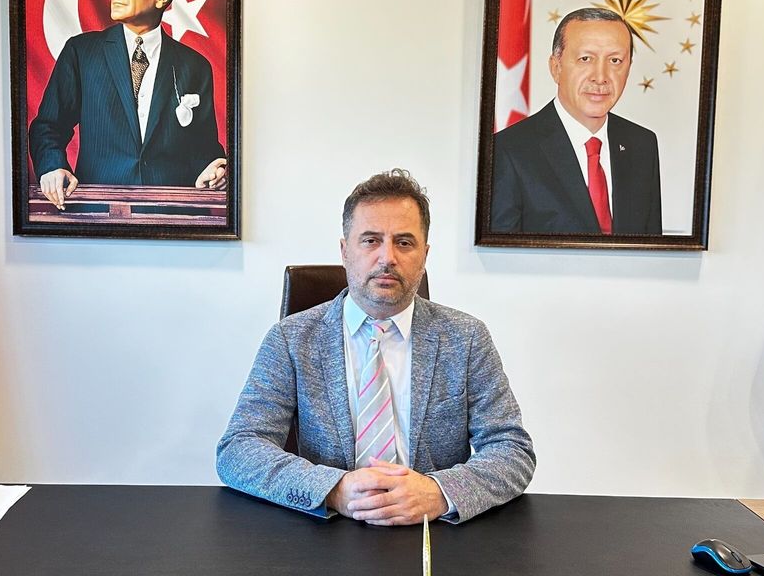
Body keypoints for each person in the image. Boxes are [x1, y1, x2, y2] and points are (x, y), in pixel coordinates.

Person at [216, 169, 535, 525]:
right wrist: (333, 489)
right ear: (345, 251)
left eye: (404, 242)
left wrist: (439, 493)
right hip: (328, 530)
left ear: (425, 254)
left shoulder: (467, 338)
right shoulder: (291, 339)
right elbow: (238, 449)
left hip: (432, 532)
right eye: (370, 240)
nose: (387, 258)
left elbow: (512, 450)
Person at [28, 0, 227, 209]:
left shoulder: (195, 65)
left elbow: (203, 146)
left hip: (171, 214)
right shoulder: (81, 52)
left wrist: (214, 168)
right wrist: (52, 166)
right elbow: (48, 126)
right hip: (97, 212)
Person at [491, 7, 662, 235]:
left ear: (629, 68)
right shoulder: (508, 150)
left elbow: (651, 250)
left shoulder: (642, 144)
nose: (600, 77)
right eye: (585, 59)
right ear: (556, 68)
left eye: (615, 60)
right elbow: (500, 253)